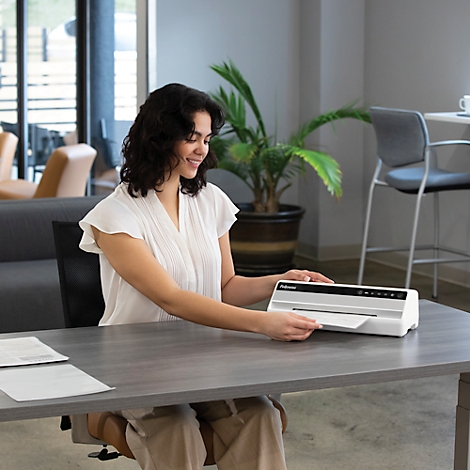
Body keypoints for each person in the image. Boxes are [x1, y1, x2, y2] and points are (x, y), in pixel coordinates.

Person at [79, 83, 333, 470]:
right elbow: (171, 298)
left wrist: (284, 279)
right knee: (177, 425)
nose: (203, 149)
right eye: (191, 137)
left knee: (261, 414)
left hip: (202, 356)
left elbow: (225, 287)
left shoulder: (210, 200)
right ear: (160, 137)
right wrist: (264, 323)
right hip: (134, 361)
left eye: (207, 138)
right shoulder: (114, 217)